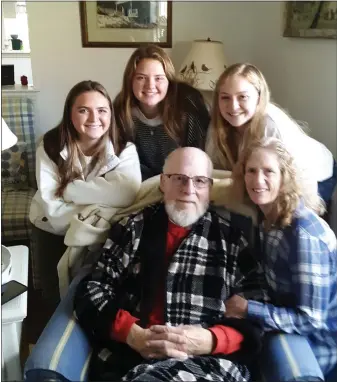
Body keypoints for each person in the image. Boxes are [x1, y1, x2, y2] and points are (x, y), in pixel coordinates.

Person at [74, 147, 268, 382]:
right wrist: (132, 334)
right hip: (135, 359)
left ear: (209, 189)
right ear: (163, 183)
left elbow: (257, 311)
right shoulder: (134, 228)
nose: (189, 190)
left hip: (211, 365)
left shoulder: (233, 240)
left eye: (199, 181)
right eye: (179, 179)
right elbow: (93, 289)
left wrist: (211, 340)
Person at [225, 137, 337, 377]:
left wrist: (248, 308)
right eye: (251, 171)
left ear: (284, 177)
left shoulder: (304, 234)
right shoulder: (268, 217)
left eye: (269, 172)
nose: (258, 180)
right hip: (280, 317)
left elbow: (312, 320)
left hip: (318, 345)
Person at [29, 80, 142, 305]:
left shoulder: (124, 149)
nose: (94, 119)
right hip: (51, 230)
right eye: (83, 110)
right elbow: (53, 210)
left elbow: (127, 193)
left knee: (91, 294)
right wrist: (101, 207)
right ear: (70, 114)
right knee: (53, 297)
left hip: (98, 234)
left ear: (110, 114)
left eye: (101, 110)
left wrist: (70, 191)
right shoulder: (50, 145)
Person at [206, 62, 336, 213]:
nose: (233, 106)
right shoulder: (217, 123)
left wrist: (303, 219)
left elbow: (299, 182)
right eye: (225, 98)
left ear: (259, 97)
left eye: (243, 97)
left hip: (314, 175)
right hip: (268, 175)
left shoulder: (270, 125)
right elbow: (211, 168)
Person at [113, 44, 210, 180]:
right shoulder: (121, 107)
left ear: (169, 81)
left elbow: (199, 154)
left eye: (158, 78)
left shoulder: (188, 104)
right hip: (139, 184)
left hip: (183, 180)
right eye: (141, 77)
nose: (150, 85)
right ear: (130, 81)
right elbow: (120, 160)